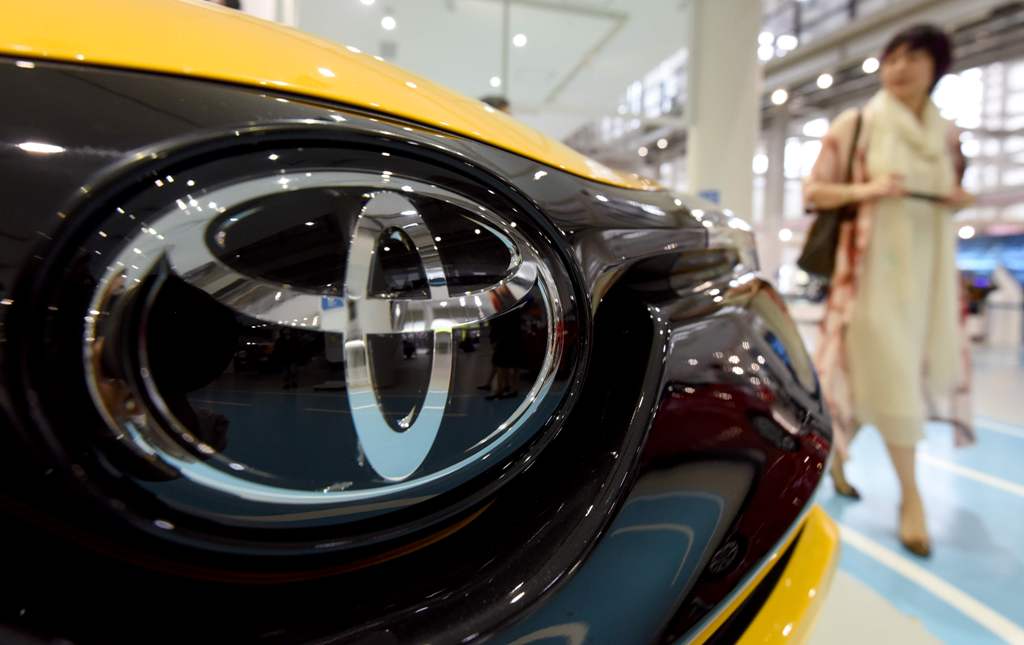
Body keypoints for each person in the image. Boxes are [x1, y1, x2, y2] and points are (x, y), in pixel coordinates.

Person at [804, 24, 977, 557]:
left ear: (936, 67)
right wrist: (869, 189)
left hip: (927, 278)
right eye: (892, 57)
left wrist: (956, 200)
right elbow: (814, 190)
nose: (899, 67)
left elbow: (954, 190)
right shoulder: (857, 124)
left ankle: (837, 458)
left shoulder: (946, 135)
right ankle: (911, 498)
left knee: (868, 378)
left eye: (913, 57)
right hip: (869, 280)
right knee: (893, 376)